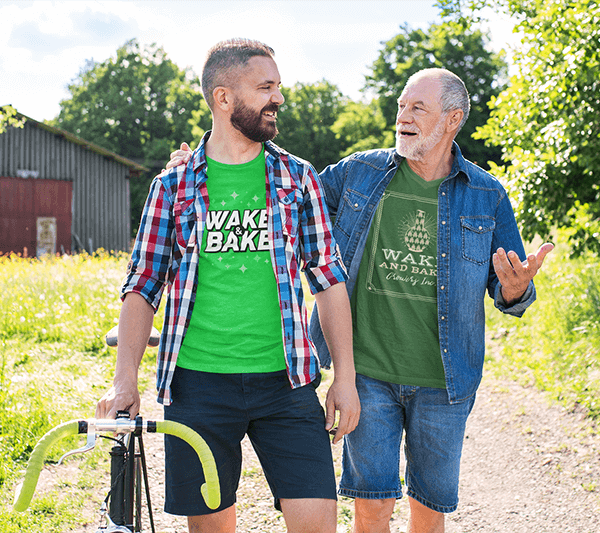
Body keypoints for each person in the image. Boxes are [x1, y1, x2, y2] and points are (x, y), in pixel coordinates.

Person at [166, 67, 552, 533]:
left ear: (452, 120)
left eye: (417, 108)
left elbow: (509, 290)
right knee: (371, 505)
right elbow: (277, 187)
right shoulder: (358, 174)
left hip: (445, 379)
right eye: (401, 106)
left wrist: (515, 288)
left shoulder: (487, 196)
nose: (403, 117)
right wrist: (198, 166)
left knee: (430, 508)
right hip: (368, 374)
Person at [96, 38, 360, 533]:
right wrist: (124, 378)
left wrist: (344, 377)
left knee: (318, 524)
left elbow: (328, 279)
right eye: (265, 87)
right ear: (223, 97)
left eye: (278, 87)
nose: (277, 98)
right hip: (198, 387)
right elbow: (143, 285)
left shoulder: (297, 178)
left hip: (288, 383)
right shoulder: (173, 187)